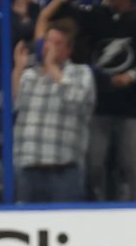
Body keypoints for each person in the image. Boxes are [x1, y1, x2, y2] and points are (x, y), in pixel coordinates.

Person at [34, 0, 136, 201]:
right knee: (94, 164)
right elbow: (55, 16)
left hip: (130, 105)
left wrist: (132, 75)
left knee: (130, 162)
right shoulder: (95, 15)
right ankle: (96, 206)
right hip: (97, 103)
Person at [10, 22, 95, 203]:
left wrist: (53, 68)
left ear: (68, 49)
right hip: (28, 166)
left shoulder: (80, 73)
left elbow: (78, 99)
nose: (50, 47)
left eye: (57, 43)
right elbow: (9, 104)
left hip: (63, 170)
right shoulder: (29, 75)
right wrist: (18, 68)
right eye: (48, 41)